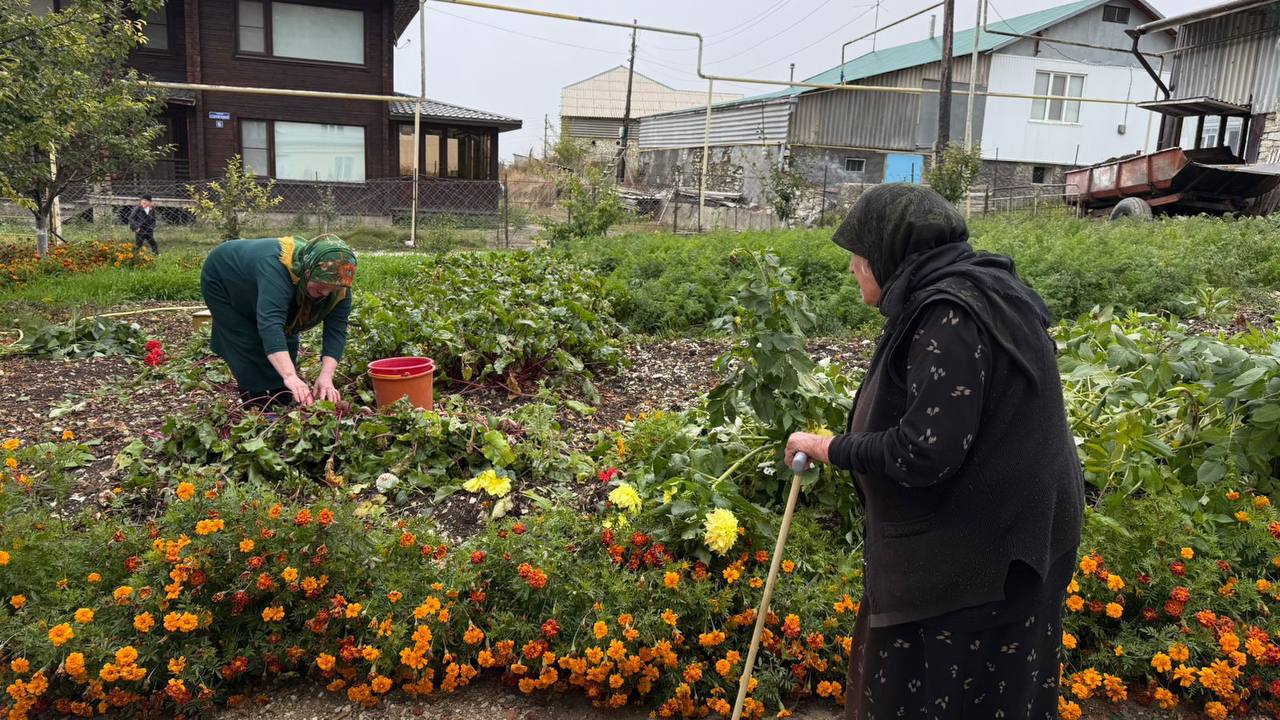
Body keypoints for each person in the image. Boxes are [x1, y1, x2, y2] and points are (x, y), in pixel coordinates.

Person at [784, 184, 1083, 720]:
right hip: (1006, 545)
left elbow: (925, 452)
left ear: (892, 252)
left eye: (860, 253)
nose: (853, 266)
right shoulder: (984, 289)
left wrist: (830, 447)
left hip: (975, 569)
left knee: (934, 697)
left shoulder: (951, 314)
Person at [199, 235, 356, 409]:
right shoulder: (277, 268)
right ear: (307, 271)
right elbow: (271, 325)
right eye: (320, 287)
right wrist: (289, 376)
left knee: (287, 335)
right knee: (248, 342)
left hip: (260, 280)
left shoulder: (339, 283)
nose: (326, 293)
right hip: (225, 278)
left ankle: (281, 396)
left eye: (332, 290)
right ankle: (256, 403)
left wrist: (326, 375)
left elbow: (337, 330)